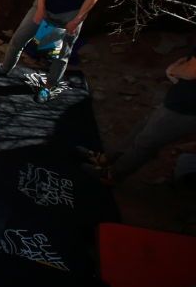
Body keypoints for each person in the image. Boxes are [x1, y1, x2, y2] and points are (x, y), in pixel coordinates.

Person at [80, 45, 196, 184]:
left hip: (186, 107)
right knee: (141, 129)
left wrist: (175, 70)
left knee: (146, 141)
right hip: (181, 100)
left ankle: (111, 175)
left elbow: (191, 71)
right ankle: (108, 159)